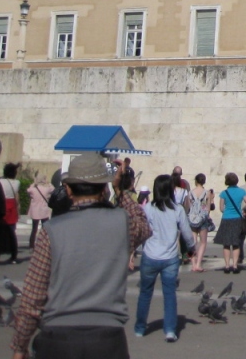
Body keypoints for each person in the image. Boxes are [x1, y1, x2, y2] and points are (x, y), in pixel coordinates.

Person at [10, 152, 152, 359]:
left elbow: (33, 297)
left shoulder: (52, 231)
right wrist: (120, 192)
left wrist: (20, 346)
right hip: (108, 339)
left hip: (58, 337)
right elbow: (143, 225)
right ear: (104, 189)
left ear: (68, 189)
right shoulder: (122, 223)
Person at [133, 174, 194, 342]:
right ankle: (170, 330)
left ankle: (140, 328)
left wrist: (137, 248)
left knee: (145, 293)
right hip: (170, 257)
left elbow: (141, 230)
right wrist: (192, 248)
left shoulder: (148, 208)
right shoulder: (177, 209)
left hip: (150, 255)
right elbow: (187, 233)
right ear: (171, 190)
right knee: (169, 294)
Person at [215, 172, 246, 274]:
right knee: (236, 243)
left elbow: (221, 208)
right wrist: (242, 210)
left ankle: (227, 266)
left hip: (226, 218)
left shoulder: (224, 193)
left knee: (226, 244)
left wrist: (227, 210)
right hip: (237, 219)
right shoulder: (241, 191)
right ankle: (235, 265)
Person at [0, 161, 21, 265]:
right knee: (12, 233)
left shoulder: (0, 181)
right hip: (12, 206)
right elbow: (17, 198)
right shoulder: (17, 183)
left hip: (2, 206)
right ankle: (14, 256)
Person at [186, 172, 215, 272]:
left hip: (192, 218)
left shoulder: (190, 193)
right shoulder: (207, 193)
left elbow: (189, 207)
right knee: (203, 242)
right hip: (202, 218)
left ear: (196, 181)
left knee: (193, 243)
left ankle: (193, 264)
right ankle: (198, 264)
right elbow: (208, 208)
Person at [27, 171, 54, 250]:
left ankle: (31, 244)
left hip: (35, 211)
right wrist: (48, 183)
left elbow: (28, 190)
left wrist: (34, 183)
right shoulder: (46, 189)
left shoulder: (33, 189)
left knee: (34, 229)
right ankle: (43, 243)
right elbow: (53, 189)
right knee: (44, 229)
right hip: (44, 211)